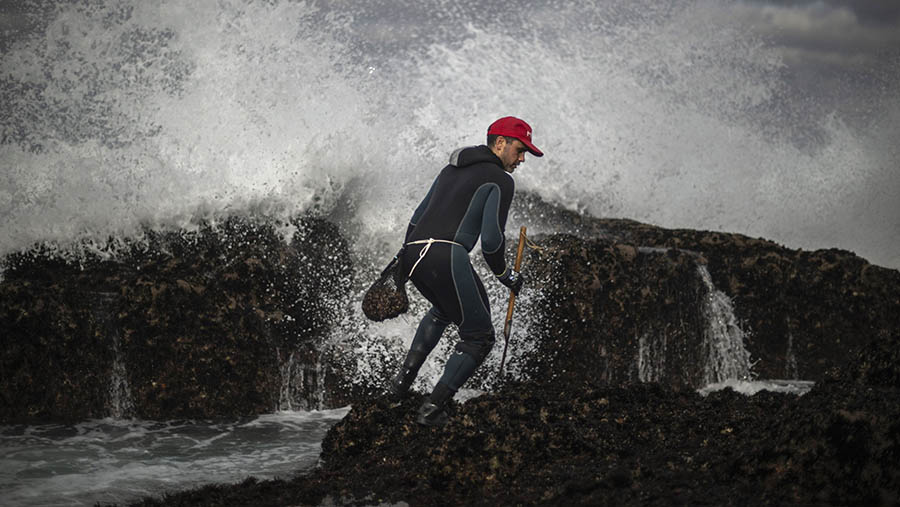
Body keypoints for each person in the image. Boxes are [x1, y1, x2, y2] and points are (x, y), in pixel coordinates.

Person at [389, 116, 544, 426]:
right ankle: (432, 410)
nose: (522, 158)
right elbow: (491, 241)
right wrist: (506, 276)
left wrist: (403, 260)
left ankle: (398, 389)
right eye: (520, 149)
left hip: (414, 253)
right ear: (500, 143)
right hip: (446, 253)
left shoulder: (450, 170)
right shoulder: (500, 180)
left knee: (444, 311)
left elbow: (418, 217)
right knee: (480, 337)